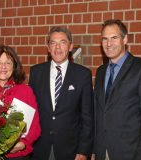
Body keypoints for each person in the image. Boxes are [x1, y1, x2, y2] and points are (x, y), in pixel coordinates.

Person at [93, 19, 141, 160]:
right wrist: (94, 150)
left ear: (125, 39)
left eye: (114, 38)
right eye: (104, 39)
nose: (108, 43)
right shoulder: (100, 71)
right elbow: (99, 113)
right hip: (101, 151)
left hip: (129, 153)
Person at [29, 27, 94, 160]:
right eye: (53, 43)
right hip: (40, 147)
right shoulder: (36, 73)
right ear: (48, 47)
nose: (57, 47)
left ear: (70, 46)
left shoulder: (83, 75)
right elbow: (31, 111)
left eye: (63, 42)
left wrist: (84, 150)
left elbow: (87, 117)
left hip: (71, 150)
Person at [0, 45, 41, 160]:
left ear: (14, 66)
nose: (3, 67)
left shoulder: (25, 91)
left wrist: (24, 143)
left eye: (8, 63)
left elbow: (35, 127)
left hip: (17, 156)